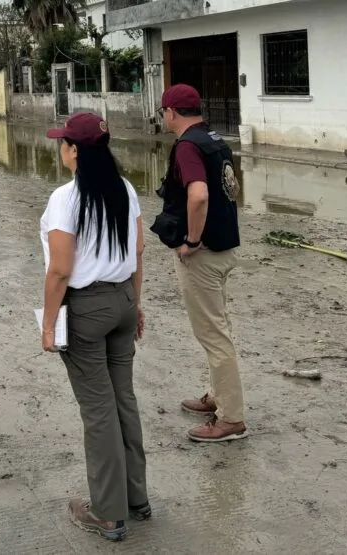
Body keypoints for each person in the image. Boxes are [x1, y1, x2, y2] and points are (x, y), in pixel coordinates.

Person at [41, 112, 148, 542]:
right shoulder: (125, 189)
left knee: (99, 411)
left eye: (63, 143)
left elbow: (60, 270)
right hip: (122, 300)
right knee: (123, 399)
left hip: (87, 309)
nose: (61, 149)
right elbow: (138, 250)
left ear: (74, 151)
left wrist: (49, 323)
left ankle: (107, 513)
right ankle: (136, 499)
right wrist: (136, 304)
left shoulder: (65, 198)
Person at [152, 83, 247, 442]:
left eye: (164, 111)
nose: (164, 117)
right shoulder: (214, 139)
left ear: (171, 112)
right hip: (224, 248)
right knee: (218, 328)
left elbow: (199, 195)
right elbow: (231, 188)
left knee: (213, 335)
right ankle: (218, 396)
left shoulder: (188, 146)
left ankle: (231, 419)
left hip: (204, 256)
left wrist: (192, 240)